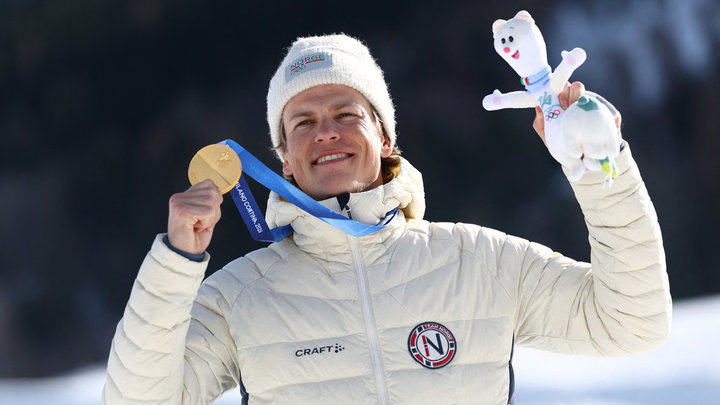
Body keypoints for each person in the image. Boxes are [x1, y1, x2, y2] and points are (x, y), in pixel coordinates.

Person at [102, 34, 671, 405]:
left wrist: (598, 166)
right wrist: (175, 263)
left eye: (346, 113)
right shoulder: (240, 298)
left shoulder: (478, 262)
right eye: (303, 122)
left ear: (386, 137)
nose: (326, 132)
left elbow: (632, 322)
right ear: (283, 160)